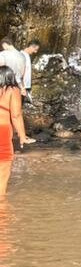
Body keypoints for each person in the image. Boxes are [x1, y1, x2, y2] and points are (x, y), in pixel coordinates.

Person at [0, 67, 34, 196]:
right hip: (2, 131)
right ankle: (2, 213)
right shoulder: (12, 90)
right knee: (1, 178)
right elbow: (16, 115)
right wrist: (22, 136)